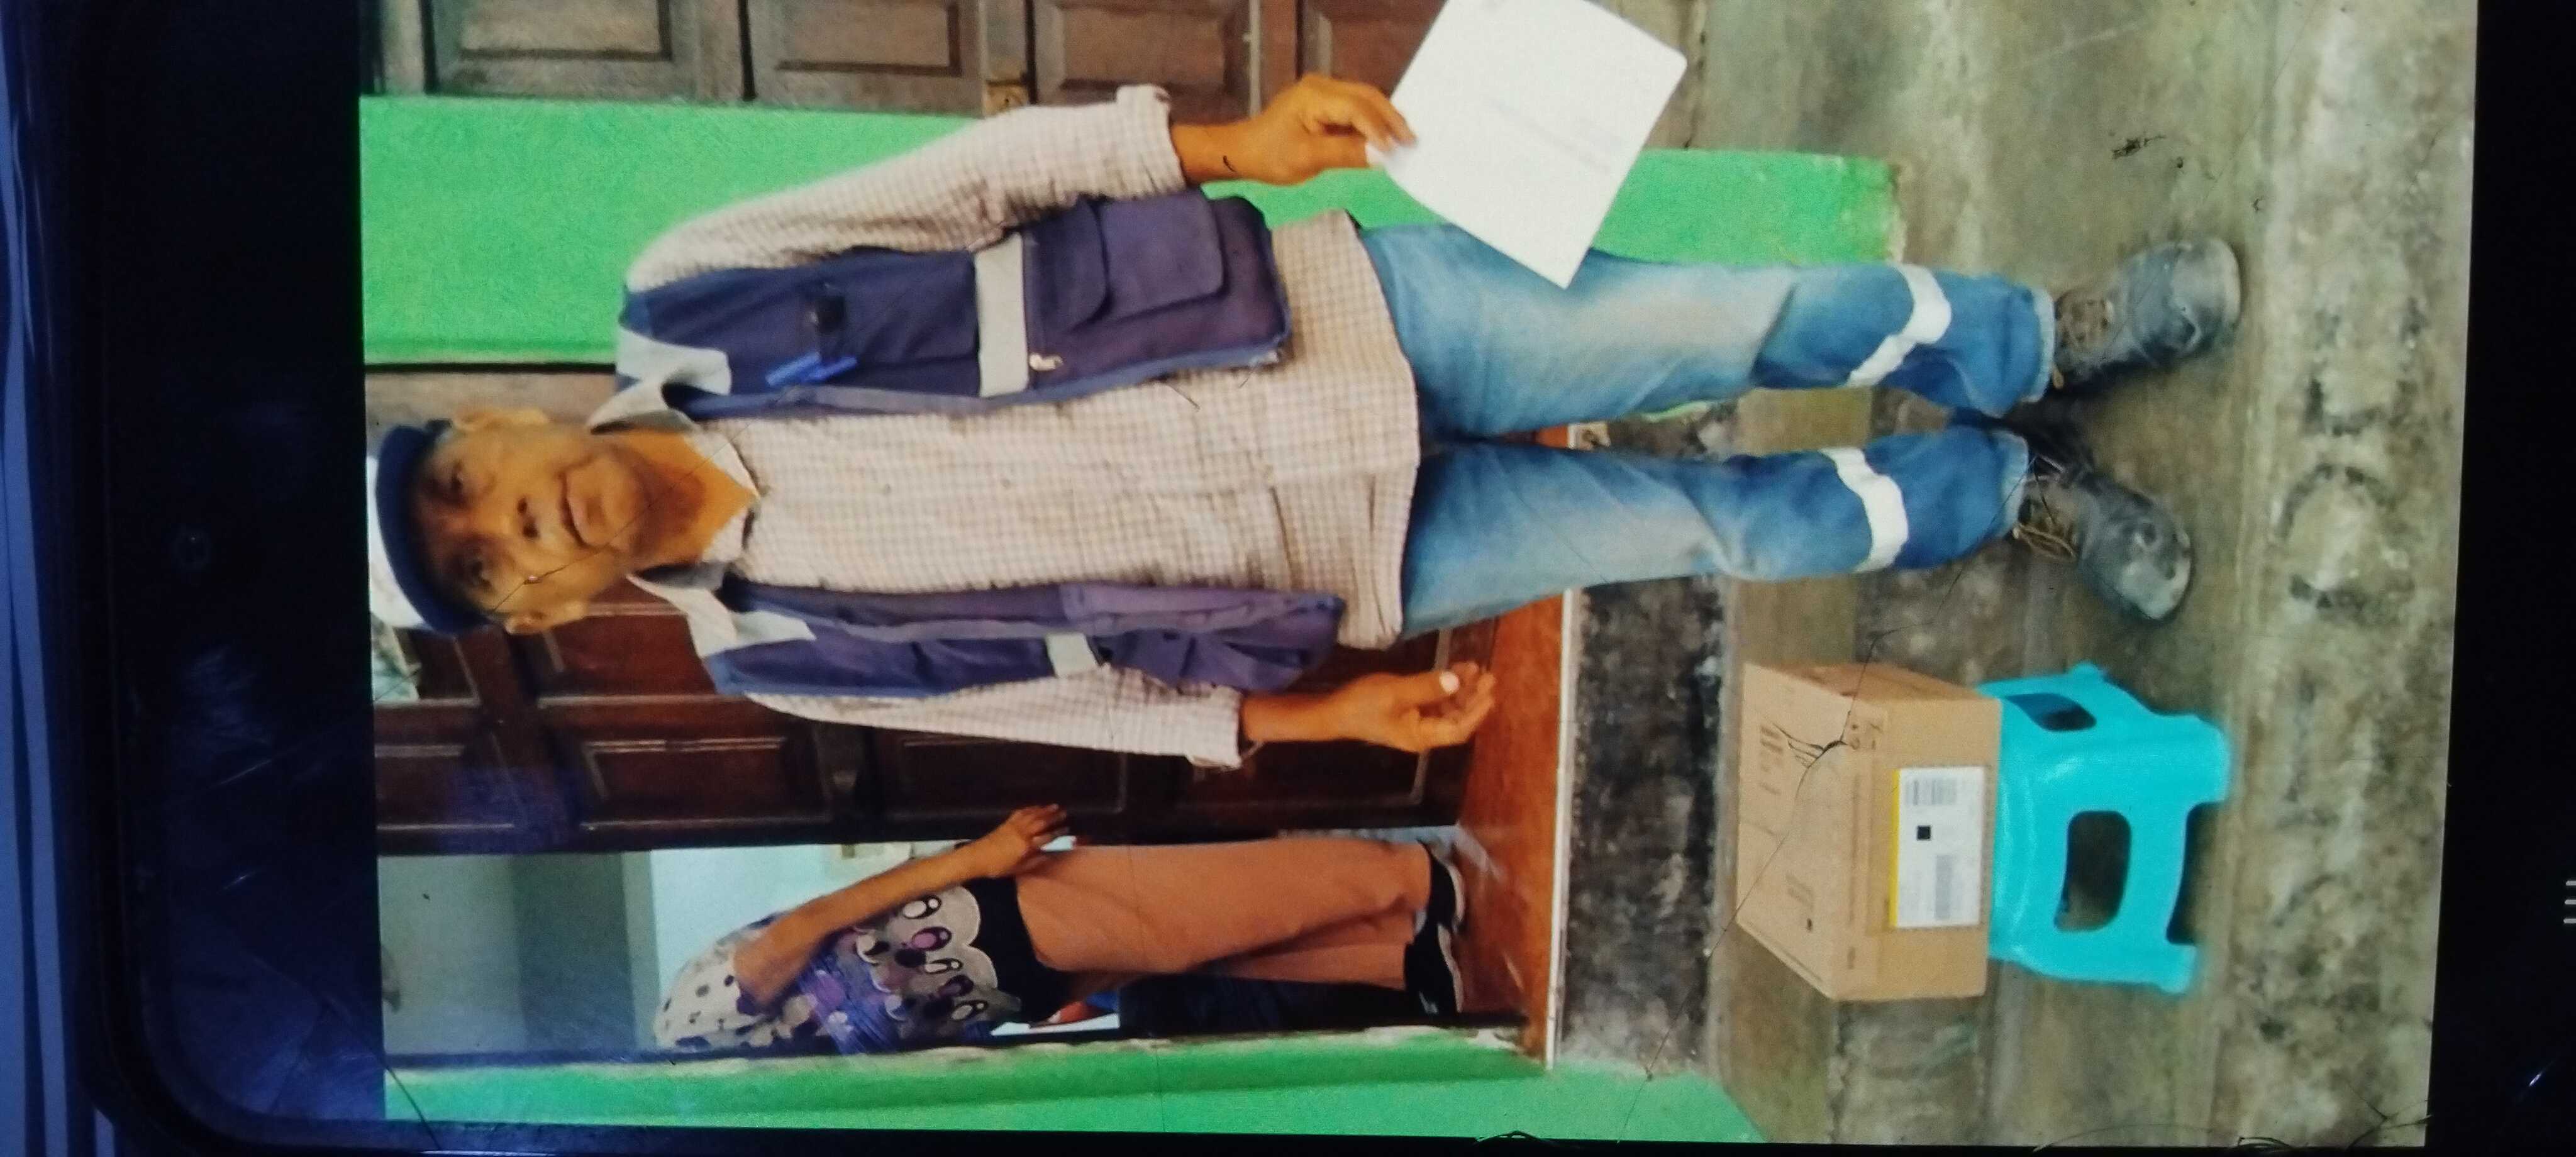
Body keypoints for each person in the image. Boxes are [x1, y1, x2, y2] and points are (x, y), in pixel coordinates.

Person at [365, 76, 2240, 768]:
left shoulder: (691, 289)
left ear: (492, 421)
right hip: (1341, 559)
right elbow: (1074, 703)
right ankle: (2004, 489)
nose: (512, 523)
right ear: (535, 616)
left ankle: (2035, 335)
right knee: (1714, 529)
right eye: (483, 569)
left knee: (1725, 319)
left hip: (1340, 322)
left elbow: (969, 182)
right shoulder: (775, 659)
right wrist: (1323, 712)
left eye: (466, 482)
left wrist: (1228, 143)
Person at [650, 807, 1470, 1055]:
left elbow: (813, 922)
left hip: (977, 922)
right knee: (1205, 951)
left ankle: (1408, 879)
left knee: (1204, 904)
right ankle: (1399, 956)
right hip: (998, 997)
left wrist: (975, 858)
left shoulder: (684, 1032)